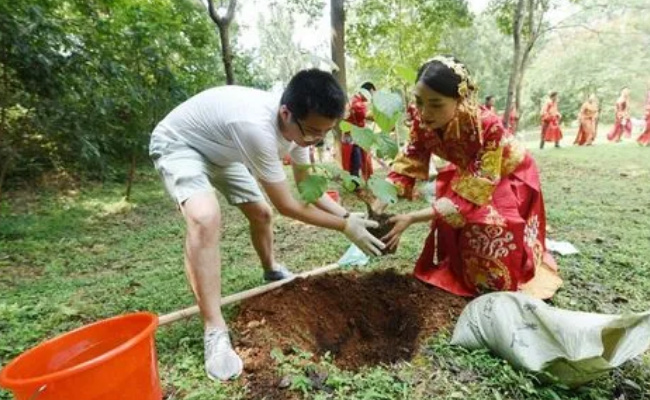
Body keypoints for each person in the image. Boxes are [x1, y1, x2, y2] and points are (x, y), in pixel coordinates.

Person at [149, 69, 385, 381]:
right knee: (205, 218)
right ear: (286, 113)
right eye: (313, 131)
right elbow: (288, 205)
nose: (316, 139)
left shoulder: (301, 129)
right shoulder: (256, 129)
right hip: (180, 144)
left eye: (324, 133)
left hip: (222, 152)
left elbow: (306, 190)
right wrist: (343, 228)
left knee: (260, 214)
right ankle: (214, 328)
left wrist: (346, 216)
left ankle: (271, 268)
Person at [379, 56, 562, 300]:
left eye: (436, 104)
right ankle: (462, 267)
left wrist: (412, 217)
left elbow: (475, 191)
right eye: (419, 102)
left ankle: (501, 272)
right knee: (456, 220)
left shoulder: (486, 125)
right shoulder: (422, 123)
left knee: (487, 224)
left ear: (461, 99)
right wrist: (379, 201)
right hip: (471, 173)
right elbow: (408, 163)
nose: (425, 113)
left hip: (508, 173)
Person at [341, 82, 376, 180]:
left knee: (360, 160)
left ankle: (364, 180)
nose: (371, 97)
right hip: (352, 137)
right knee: (356, 161)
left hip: (356, 136)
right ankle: (354, 183)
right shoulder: (357, 103)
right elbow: (369, 116)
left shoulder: (355, 100)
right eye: (371, 93)